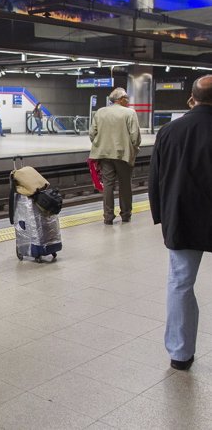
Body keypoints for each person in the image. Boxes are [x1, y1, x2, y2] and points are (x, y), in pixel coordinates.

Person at [149, 75, 212, 371]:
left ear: (191, 99)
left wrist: (162, 216)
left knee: (180, 284)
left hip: (183, 218)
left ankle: (180, 353)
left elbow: (155, 180)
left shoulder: (169, 131)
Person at [88, 87, 141, 225]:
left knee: (108, 185)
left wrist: (101, 144)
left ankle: (108, 216)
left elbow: (92, 134)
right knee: (125, 186)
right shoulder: (129, 113)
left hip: (104, 154)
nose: (128, 101)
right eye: (127, 99)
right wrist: (134, 148)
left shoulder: (100, 112)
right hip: (123, 155)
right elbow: (135, 137)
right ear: (121, 99)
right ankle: (125, 215)